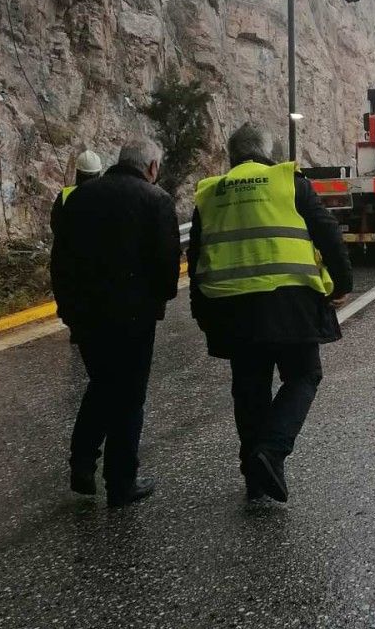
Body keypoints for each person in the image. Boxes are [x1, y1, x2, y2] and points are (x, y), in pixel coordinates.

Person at [187, 122, 353, 503]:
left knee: (249, 388)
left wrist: (201, 312)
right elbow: (327, 232)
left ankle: (254, 476)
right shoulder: (287, 181)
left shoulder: (210, 193)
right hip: (290, 303)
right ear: (268, 153)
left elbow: (195, 257)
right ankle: (272, 451)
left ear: (231, 156)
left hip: (232, 308)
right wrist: (343, 284)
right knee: (304, 375)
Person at [50, 137, 180, 507]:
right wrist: (157, 300)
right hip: (134, 318)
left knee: (103, 384)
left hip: (86, 316)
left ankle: (82, 463)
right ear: (152, 168)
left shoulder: (78, 198)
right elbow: (167, 269)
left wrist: (69, 310)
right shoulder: (156, 200)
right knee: (129, 396)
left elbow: (60, 261)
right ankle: (121, 482)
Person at [50, 149, 102, 235]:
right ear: (98, 173)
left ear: (77, 171)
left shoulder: (65, 194)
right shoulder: (104, 196)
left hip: (65, 246)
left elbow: (54, 223)